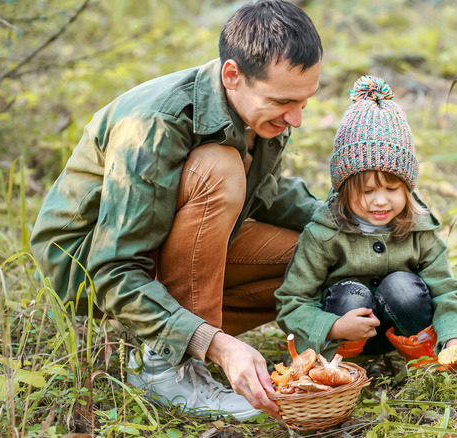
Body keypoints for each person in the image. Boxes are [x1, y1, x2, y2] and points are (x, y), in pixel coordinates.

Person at [29, 0, 323, 421]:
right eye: (283, 102)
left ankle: (157, 336)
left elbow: (269, 194)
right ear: (232, 76)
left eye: (305, 100)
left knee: (314, 253)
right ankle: (168, 367)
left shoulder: (259, 111)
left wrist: (357, 224)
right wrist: (222, 347)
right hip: (89, 266)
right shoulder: (154, 123)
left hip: (163, 248)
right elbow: (112, 270)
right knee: (218, 169)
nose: (296, 118)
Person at [274, 76, 457, 369]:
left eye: (391, 190)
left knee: (401, 286)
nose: (380, 202)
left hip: (404, 328)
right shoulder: (324, 234)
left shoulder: (418, 229)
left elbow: (446, 290)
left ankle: (427, 356)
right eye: (367, 191)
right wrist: (333, 327)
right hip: (344, 333)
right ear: (344, 189)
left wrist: (455, 341)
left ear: (408, 188)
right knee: (353, 294)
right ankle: (340, 365)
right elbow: (293, 301)